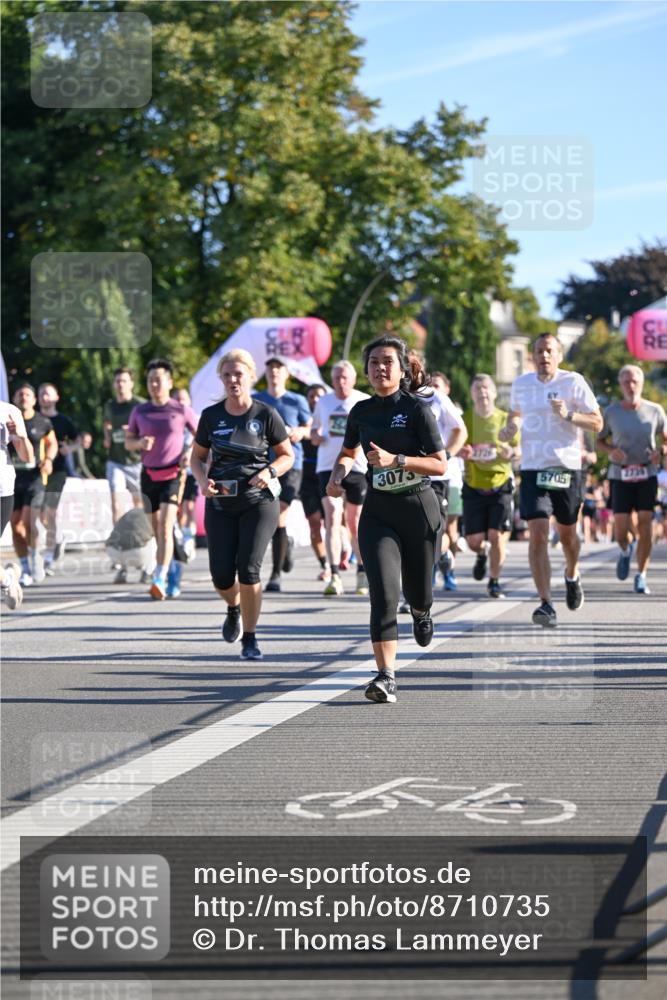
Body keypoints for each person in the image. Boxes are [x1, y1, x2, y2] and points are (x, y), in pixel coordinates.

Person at [328, 335, 446, 704]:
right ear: (366, 370)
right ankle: (386, 676)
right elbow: (348, 452)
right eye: (374, 362)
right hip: (379, 512)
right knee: (382, 594)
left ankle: (422, 611)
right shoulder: (361, 411)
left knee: (418, 592)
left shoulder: (416, 409)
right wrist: (338, 474)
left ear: (401, 368)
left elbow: (440, 464)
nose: (381, 368)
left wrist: (397, 459)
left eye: (388, 362)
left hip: (418, 509)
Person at [190, 348, 294, 660]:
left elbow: (288, 455)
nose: (233, 379)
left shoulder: (265, 414)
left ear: (250, 376)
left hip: (259, 502)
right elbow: (196, 458)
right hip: (221, 502)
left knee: (249, 570)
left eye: (239, 374)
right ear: (221, 379)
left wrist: (270, 470)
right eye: (227, 375)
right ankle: (233, 606)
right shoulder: (211, 416)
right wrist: (201, 480)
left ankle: (250, 638)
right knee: (222, 575)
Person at [500, 333, 603, 627]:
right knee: (538, 531)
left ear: (559, 355)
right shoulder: (522, 384)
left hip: (567, 467)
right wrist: (510, 428)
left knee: (568, 534)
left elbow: (597, 422)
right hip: (533, 467)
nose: (544, 356)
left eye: (549, 351)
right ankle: (545, 602)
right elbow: (515, 414)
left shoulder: (573, 382)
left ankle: (572, 573)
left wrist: (569, 414)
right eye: (539, 351)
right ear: (532, 356)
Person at [126, 359, 198, 599]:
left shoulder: (181, 409)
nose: (154, 384)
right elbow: (128, 441)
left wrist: (189, 453)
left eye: (158, 379)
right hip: (148, 474)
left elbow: (203, 436)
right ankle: (175, 568)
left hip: (173, 473)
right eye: (150, 380)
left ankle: (159, 576)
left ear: (169, 382)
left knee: (166, 526)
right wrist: (139, 443)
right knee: (157, 529)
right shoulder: (140, 411)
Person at [597, 364, 666, 594]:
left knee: (646, 522)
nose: (631, 385)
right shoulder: (612, 412)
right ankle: (626, 551)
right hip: (620, 474)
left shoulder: (655, 411)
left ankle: (642, 574)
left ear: (642, 383)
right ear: (620, 385)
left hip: (646, 472)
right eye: (626, 381)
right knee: (621, 529)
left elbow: (665, 439)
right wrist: (610, 451)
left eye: (635, 380)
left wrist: (661, 452)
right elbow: (599, 440)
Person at [311, 360, 369, 596]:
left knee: (355, 523)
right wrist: (315, 435)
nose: (340, 382)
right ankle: (334, 573)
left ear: (353, 379)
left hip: (357, 467)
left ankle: (362, 573)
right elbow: (314, 431)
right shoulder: (323, 402)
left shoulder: (363, 401)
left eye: (345, 378)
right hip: (327, 466)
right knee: (332, 516)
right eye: (336, 378)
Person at [253, 358, 311, 593]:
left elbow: (310, 428)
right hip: (263, 465)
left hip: (290, 465)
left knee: (280, 513)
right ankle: (284, 551)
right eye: (270, 369)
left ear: (286, 374)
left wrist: (300, 431)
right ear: (265, 373)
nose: (274, 372)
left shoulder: (297, 400)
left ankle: (275, 574)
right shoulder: (257, 400)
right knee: (269, 515)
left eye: (279, 369)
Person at [460, 373, 519, 599]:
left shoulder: (506, 419)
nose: (482, 392)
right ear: (472, 394)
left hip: (500, 483)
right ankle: (481, 553)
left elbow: (519, 450)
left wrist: (511, 452)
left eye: (486, 388)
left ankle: (494, 581)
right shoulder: (465, 420)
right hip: (474, 484)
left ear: (494, 393)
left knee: (497, 536)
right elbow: (453, 446)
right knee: (473, 541)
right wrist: (461, 452)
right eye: (477, 389)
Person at [10, 384, 58, 586]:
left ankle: (36, 560)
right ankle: (25, 568)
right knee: (16, 526)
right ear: (14, 398)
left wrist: (48, 459)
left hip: (35, 478)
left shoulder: (42, 422)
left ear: (34, 400)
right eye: (20, 394)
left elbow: (52, 443)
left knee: (30, 523)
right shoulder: (7, 419)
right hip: (12, 479)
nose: (23, 397)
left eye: (27, 394)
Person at [427, 369, 467, 591]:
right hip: (418, 475)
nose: (433, 387)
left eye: (437, 384)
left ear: (446, 388)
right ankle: (431, 570)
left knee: (447, 530)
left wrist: (450, 453)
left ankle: (446, 566)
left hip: (447, 477)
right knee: (423, 532)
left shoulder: (444, 405)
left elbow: (461, 433)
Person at [37, 382, 79, 576]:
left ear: (56, 397)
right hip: (36, 472)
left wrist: (69, 449)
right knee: (39, 515)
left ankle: (48, 558)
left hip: (58, 471)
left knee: (49, 513)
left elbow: (79, 440)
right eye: (41, 394)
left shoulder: (63, 421)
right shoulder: (33, 419)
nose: (44, 397)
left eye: (47, 393)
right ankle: (58, 539)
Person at [1, 397, 34, 609]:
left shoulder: (8, 411)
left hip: (1, 489)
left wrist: (19, 436)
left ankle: (7, 579)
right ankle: (7, 578)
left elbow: (27, 457)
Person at [103, 368, 145, 527]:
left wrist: (134, 431)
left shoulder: (140, 405)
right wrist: (107, 436)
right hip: (116, 461)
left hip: (136, 461)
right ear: (114, 384)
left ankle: (140, 537)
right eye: (118, 381)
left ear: (131, 384)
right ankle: (119, 541)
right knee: (116, 502)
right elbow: (106, 422)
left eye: (124, 381)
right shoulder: (110, 405)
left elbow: (150, 429)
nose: (121, 384)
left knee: (139, 503)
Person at [299, 384, 329, 580]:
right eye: (311, 396)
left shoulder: (332, 414)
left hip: (328, 472)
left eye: (319, 396)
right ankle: (325, 564)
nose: (315, 399)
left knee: (337, 521)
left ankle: (343, 550)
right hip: (307, 474)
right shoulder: (302, 418)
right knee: (314, 523)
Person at [172, 387, 199, 565]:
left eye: (184, 399)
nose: (181, 402)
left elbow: (201, 439)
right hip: (173, 471)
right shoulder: (171, 420)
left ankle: (190, 539)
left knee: (189, 507)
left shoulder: (194, 418)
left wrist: (190, 453)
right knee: (177, 510)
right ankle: (181, 537)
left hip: (191, 470)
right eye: (178, 399)